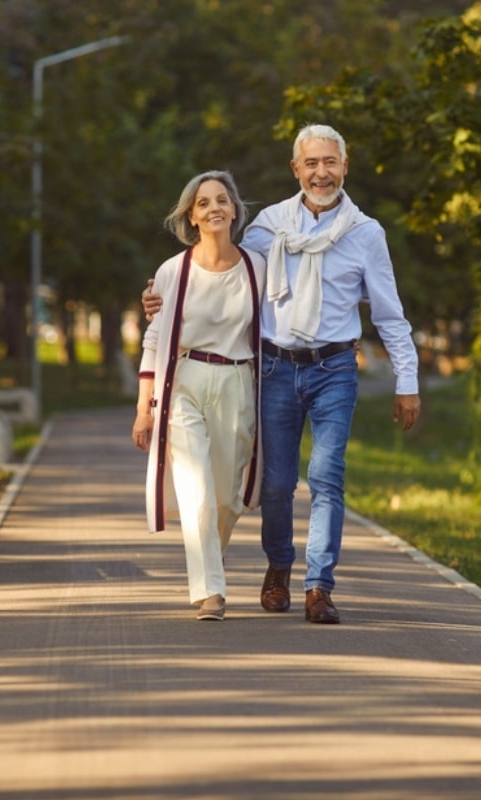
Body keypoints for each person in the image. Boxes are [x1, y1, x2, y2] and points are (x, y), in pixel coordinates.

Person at [144, 125, 420, 624]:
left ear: (345, 165)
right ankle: (278, 567)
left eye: (330, 162)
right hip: (274, 367)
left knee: (327, 476)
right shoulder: (269, 227)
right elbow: (226, 277)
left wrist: (407, 381)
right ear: (296, 170)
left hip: (335, 366)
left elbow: (389, 314)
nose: (321, 173)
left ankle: (319, 585)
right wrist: (161, 301)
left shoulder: (366, 234)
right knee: (275, 484)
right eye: (311, 163)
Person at [132, 170, 265, 621]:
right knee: (197, 489)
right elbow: (154, 340)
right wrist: (143, 410)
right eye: (204, 203)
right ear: (191, 215)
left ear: (234, 210)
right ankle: (210, 591)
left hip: (237, 381)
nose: (214, 209)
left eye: (221, 200)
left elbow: (282, 322)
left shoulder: (256, 267)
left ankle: (210, 561)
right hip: (184, 381)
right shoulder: (173, 271)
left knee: (228, 497)